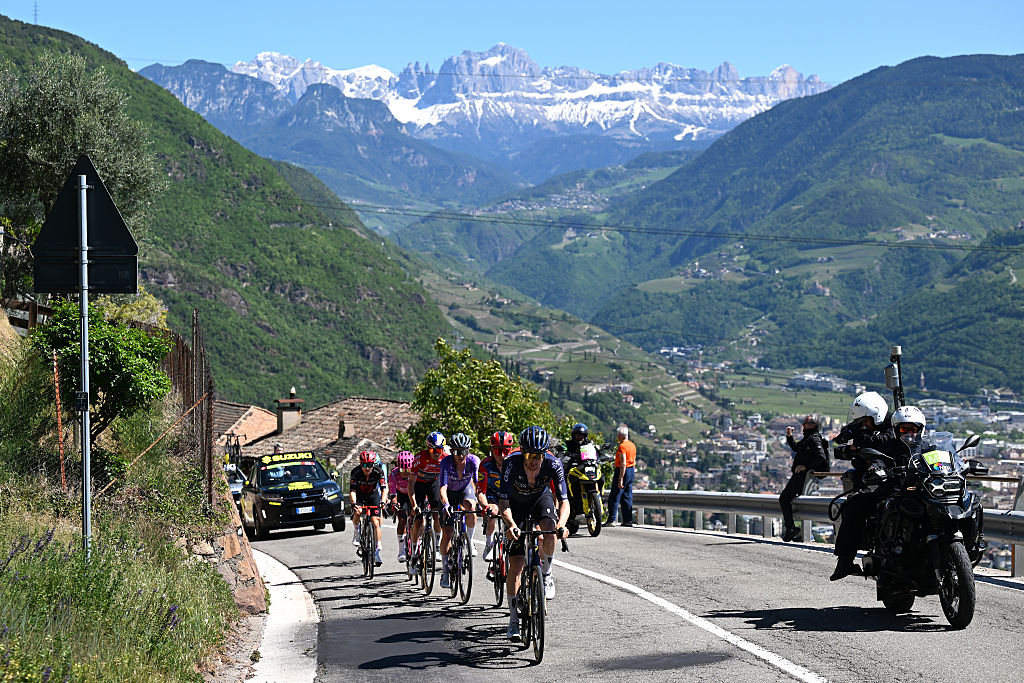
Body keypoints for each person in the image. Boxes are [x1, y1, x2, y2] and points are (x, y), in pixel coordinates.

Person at [830, 404, 923, 581]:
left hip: (923, 491)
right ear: (897, 429)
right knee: (854, 503)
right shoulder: (890, 445)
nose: (908, 433)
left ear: (920, 429)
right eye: (904, 429)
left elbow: (944, 460)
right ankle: (845, 560)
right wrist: (875, 469)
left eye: (912, 429)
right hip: (893, 490)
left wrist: (960, 464)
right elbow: (878, 458)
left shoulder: (928, 446)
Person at [499, 425, 570, 641]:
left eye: (538, 456)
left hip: (540, 499)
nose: (533, 461)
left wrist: (562, 525)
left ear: (544, 454)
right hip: (516, 505)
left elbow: (564, 501)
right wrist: (511, 524)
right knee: (516, 565)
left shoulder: (553, 463)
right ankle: (513, 620)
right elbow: (503, 503)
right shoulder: (511, 463)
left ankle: (546, 574)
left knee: (550, 528)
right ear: (522, 452)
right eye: (529, 455)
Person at [438, 432, 482, 588]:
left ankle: (469, 540)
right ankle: (445, 571)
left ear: (468, 451)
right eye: (457, 451)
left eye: (463, 451)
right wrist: (446, 504)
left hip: (464, 489)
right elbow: (442, 488)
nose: (460, 455)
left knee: (471, 506)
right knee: (448, 533)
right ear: (452, 451)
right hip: (448, 493)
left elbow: (477, 484)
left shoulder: (474, 461)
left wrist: (481, 502)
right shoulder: (446, 462)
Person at [779, 415, 829, 542]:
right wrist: (789, 436)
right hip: (801, 476)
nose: (803, 425)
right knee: (787, 499)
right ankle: (796, 531)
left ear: (813, 425)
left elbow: (821, 457)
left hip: (802, 477)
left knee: (784, 498)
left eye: (806, 423)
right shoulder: (808, 438)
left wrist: (805, 466)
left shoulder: (814, 439)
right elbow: (796, 447)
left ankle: (791, 529)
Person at [408, 431, 446, 569]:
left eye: (439, 450)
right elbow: (411, 484)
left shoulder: (446, 458)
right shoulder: (419, 458)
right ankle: (414, 551)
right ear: (428, 448)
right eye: (432, 450)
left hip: (433, 483)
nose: (436, 453)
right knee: (418, 520)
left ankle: (437, 546)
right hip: (419, 485)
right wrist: (413, 505)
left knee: (437, 514)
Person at [477, 430, 514, 561]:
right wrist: (485, 506)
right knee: (492, 511)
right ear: (492, 450)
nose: (502, 455)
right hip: (493, 494)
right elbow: (480, 491)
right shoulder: (485, 464)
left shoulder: (516, 463)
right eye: (498, 451)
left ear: (511, 450)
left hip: (510, 495)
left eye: (506, 451)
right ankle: (489, 544)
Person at [349, 449, 388, 566]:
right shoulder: (355, 472)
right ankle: (357, 532)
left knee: (375, 522)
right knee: (358, 512)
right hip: (359, 495)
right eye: (364, 465)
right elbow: (352, 490)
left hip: (372, 495)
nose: (367, 468)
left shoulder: (378, 471)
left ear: (373, 464)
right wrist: (354, 503)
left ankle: (377, 551)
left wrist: (383, 501)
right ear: (360, 464)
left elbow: (384, 489)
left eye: (370, 465)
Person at [605, 426, 636, 527]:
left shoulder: (622, 447)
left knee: (615, 495)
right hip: (631, 470)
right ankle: (628, 520)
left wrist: (620, 478)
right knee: (627, 496)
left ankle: (611, 520)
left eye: (617, 435)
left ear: (620, 436)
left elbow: (623, 463)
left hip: (622, 470)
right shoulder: (632, 445)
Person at [388, 450, 415, 563]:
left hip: (414, 493)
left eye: (408, 470)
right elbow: (393, 493)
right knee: (402, 519)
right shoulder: (393, 474)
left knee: (419, 518)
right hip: (401, 495)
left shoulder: (416, 472)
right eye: (403, 470)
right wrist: (394, 503)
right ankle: (401, 550)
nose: (406, 473)